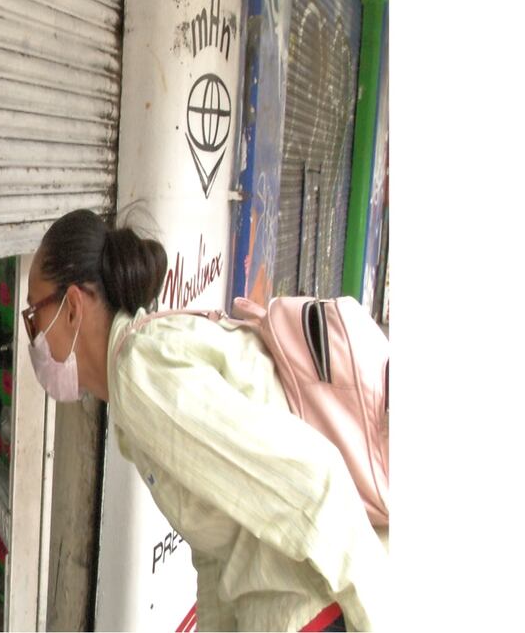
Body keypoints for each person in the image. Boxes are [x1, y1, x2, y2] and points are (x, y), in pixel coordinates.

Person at [22, 209, 388, 632]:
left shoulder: (143, 374)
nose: (33, 336)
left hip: (317, 609)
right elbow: (216, 547)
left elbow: (315, 483)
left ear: (72, 307)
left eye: (34, 315)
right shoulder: (138, 375)